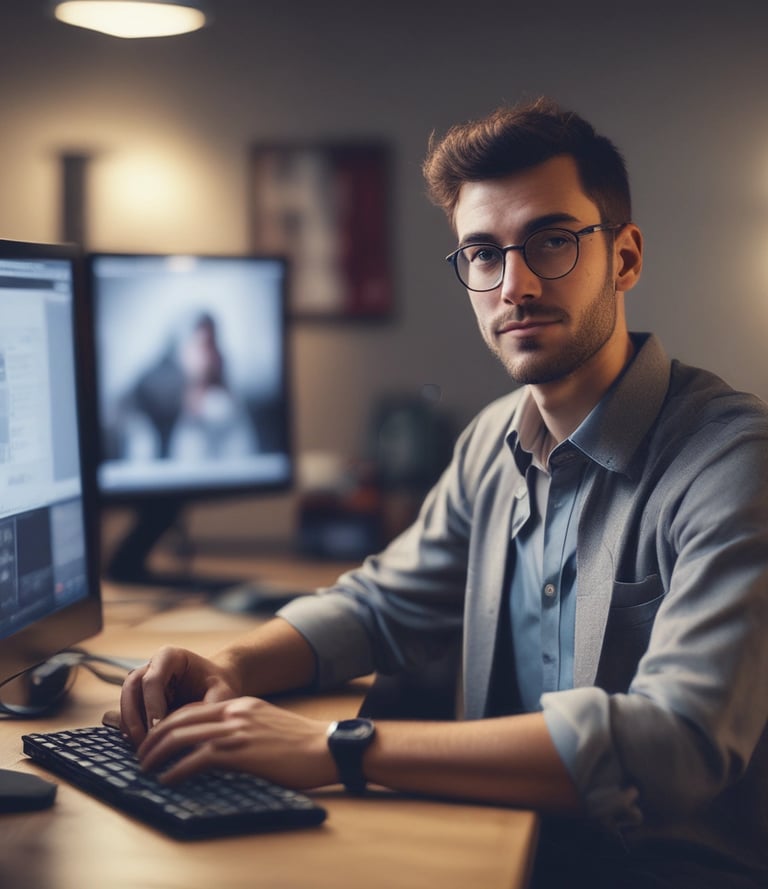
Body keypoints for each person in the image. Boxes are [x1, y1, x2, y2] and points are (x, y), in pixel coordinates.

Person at [119, 98, 768, 888]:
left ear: (624, 257)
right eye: (483, 254)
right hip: (508, 840)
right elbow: (379, 604)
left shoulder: (731, 456)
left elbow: (677, 739)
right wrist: (229, 665)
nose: (514, 284)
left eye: (551, 241)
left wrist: (335, 748)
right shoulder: (492, 440)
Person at [111, 310, 258, 461]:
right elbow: (119, 409)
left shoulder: (224, 395)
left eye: (212, 346)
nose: (209, 357)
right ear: (183, 350)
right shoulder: (159, 381)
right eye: (202, 346)